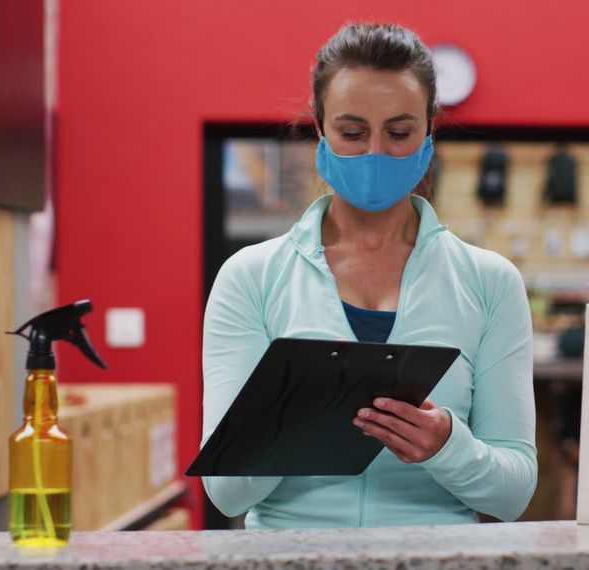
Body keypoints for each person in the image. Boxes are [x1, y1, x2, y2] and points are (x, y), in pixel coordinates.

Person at [201, 22, 536, 529]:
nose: (375, 152)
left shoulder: (490, 283)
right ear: (320, 129)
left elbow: (514, 493)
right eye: (352, 133)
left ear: (429, 131)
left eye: (399, 133)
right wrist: (295, 403)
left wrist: (450, 447)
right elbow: (226, 493)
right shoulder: (251, 278)